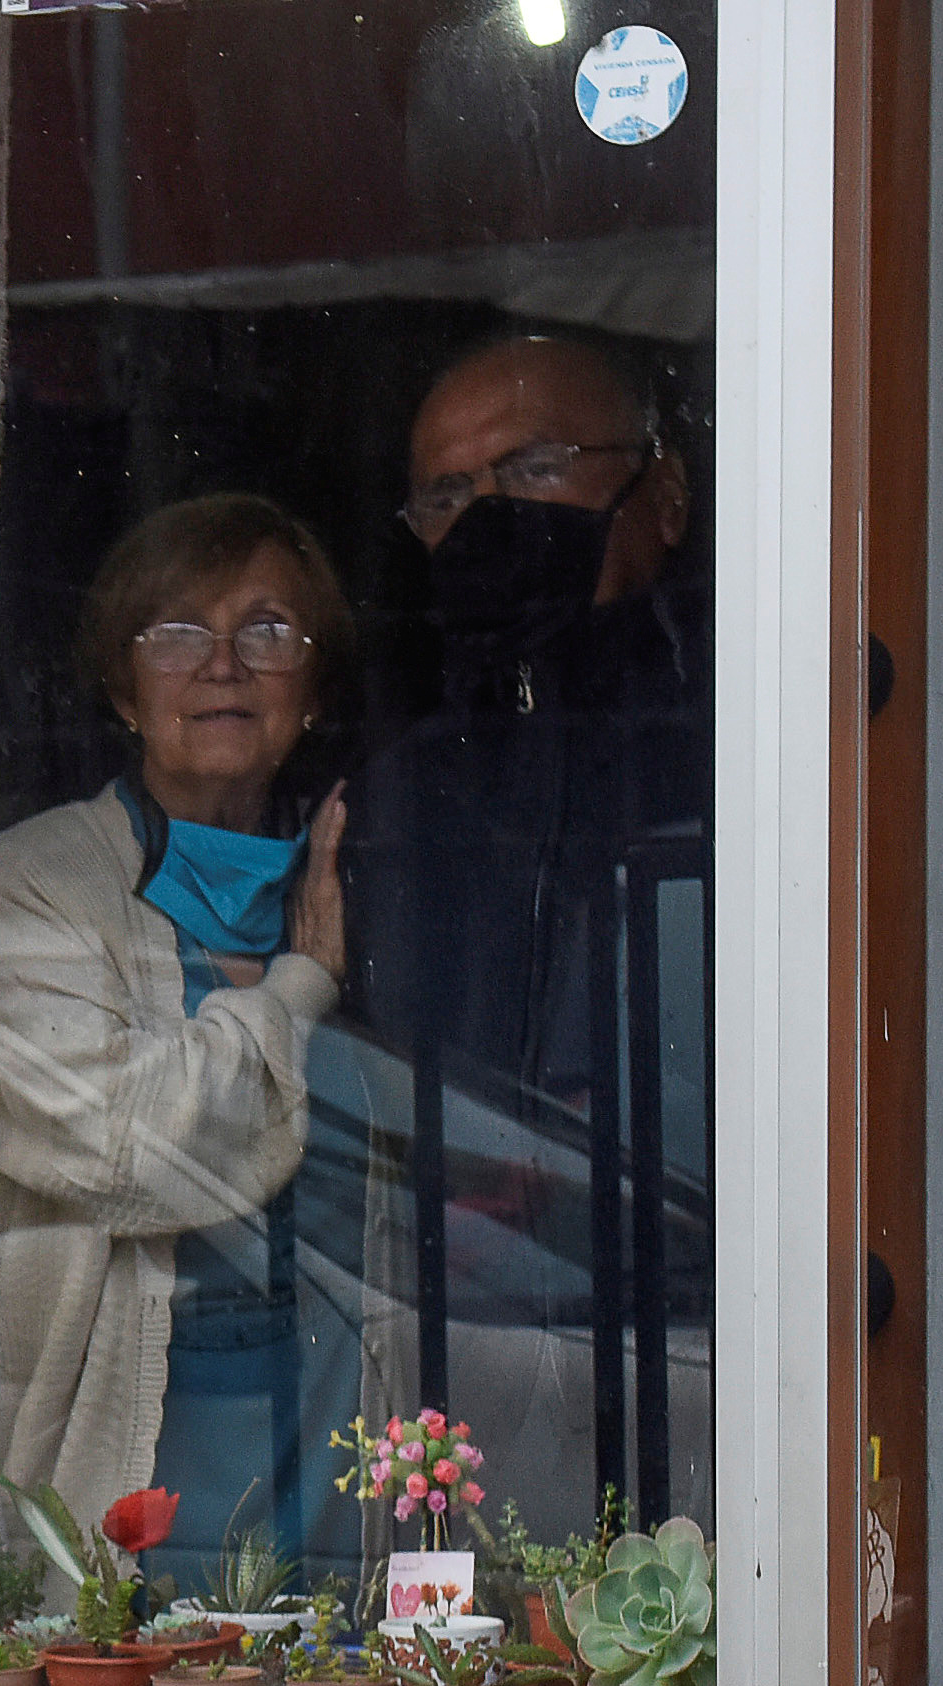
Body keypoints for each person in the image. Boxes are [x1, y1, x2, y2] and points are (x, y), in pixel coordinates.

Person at [334, 326, 705, 1493]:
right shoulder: (401, 788)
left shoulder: (762, 737)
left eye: (536, 466)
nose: (492, 516)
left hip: (728, 1320)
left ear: (665, 493)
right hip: (459, 1331)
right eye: (449, 492)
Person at [0, 493, 355, 1545]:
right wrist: (296, 991)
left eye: (267, 630)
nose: (223, 663)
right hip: (132, 1427)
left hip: (326, 1422)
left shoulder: (354, 877)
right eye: (177, 632)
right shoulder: (30, 888)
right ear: (123, 687)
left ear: (313, 690)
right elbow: (126, 1144)